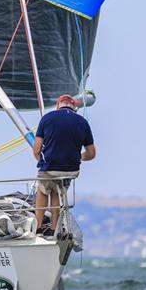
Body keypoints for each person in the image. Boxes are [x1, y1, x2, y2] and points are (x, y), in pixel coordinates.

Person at [33, 94, 96, 235]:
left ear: (58, 106)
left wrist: (41, 161)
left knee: (43, 189)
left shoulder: (47, 118)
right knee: (56, 189)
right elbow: (91, 153)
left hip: (50, 168)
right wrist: (79, 157)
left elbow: (37, 149)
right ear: (73, 107)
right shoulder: (82, 122)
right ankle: (54, 228)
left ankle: (36, 227)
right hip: (71, 169)